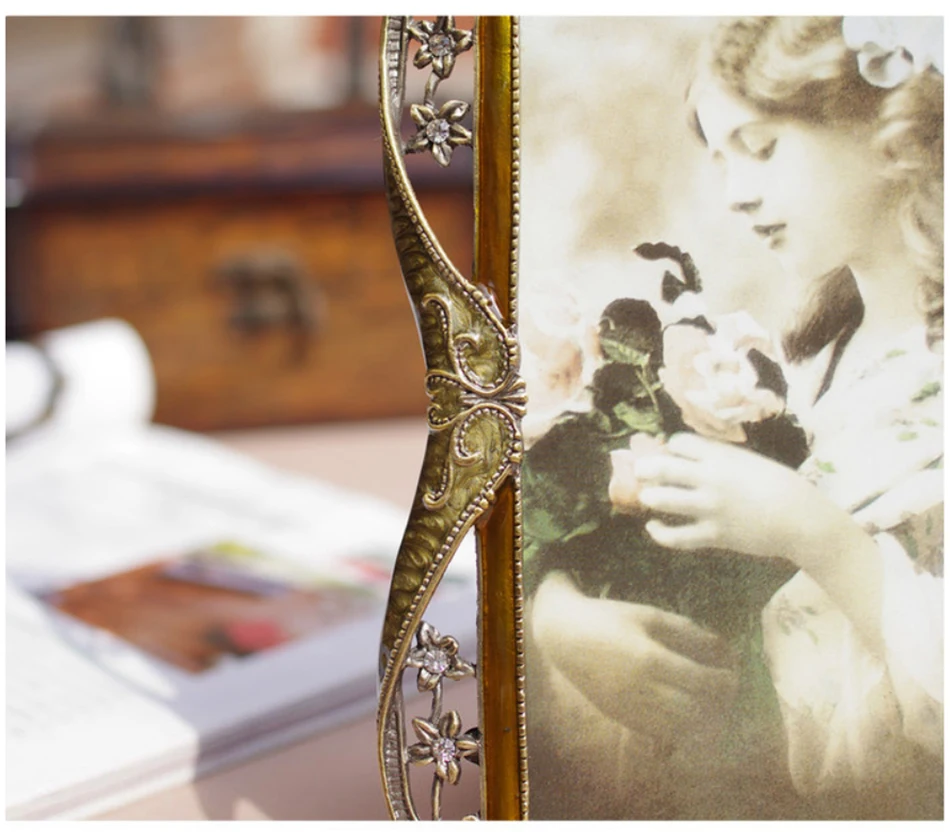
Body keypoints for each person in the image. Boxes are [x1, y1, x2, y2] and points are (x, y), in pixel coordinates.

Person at [526, 16, 943, 820]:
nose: (735, 194)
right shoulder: (804, 364)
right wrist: (559, 616)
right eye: (719, 160)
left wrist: (813, 532)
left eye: (760, 148)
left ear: (888, 127)